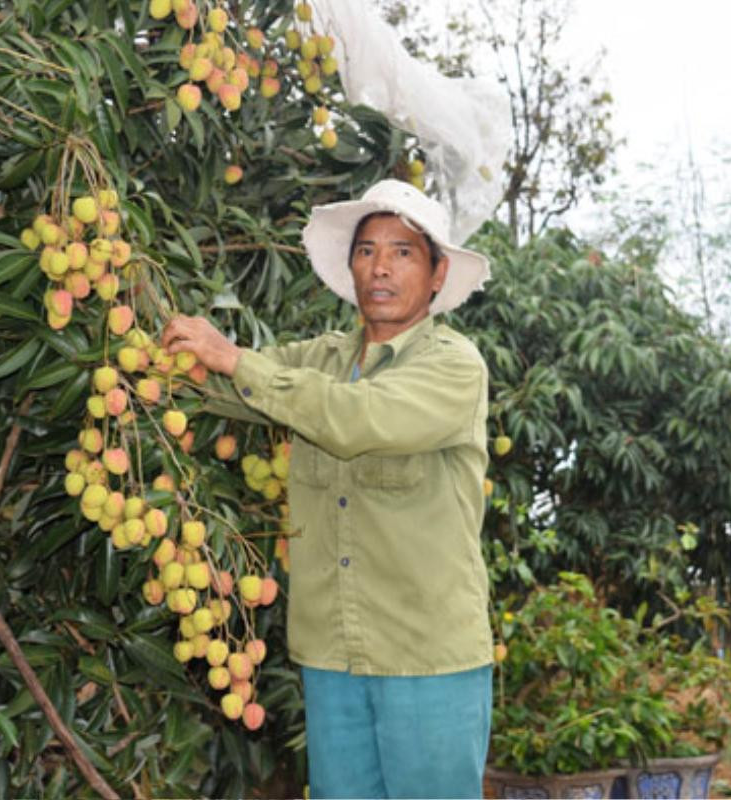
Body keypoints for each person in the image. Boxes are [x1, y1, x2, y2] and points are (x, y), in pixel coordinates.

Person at [161, 179, 494, 800]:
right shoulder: (324, 358)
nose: (381, 268)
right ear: (350, 266)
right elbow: (233, 386)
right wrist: (158, 352)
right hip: (333, 659)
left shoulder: (454, 366)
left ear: (438, 272)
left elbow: (352, 418)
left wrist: (233, 358)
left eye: (403, 251)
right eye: (367, 250)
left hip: (427, 660)